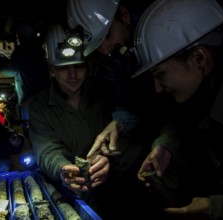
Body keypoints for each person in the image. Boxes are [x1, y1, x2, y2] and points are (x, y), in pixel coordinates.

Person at [128, 0, 223, 219]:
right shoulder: (202, 90)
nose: (157, 88)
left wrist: (215, 208)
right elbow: (180, 124)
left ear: (198, 58)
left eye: (160, 74)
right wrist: (167, 146)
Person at [28, 24, 159, 219]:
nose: (72, 74)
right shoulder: (39, 106)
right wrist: (62, 168)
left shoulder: (106, 91)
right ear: (51, 69)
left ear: (88, 65)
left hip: (121, 190)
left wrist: (108, 158)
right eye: (64, 68)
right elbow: (47, 148)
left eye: (78, 66)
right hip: (79, 195)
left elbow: (129, 131)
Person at [66, 0, 172, 162]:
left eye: (107, 36)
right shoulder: (114, 57)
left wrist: (167, 140)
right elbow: (130, 103)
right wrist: (118, 123)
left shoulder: (163, 32)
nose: (105, 49)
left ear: (124, 14)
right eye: (97, 45)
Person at [0, 20, 50, 122]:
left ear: (20, 36)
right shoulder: (39, 50)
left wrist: (1, 61)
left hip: (30, 101)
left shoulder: (22, 51)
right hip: (42, 98)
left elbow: (9, 70)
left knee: (32, 128)